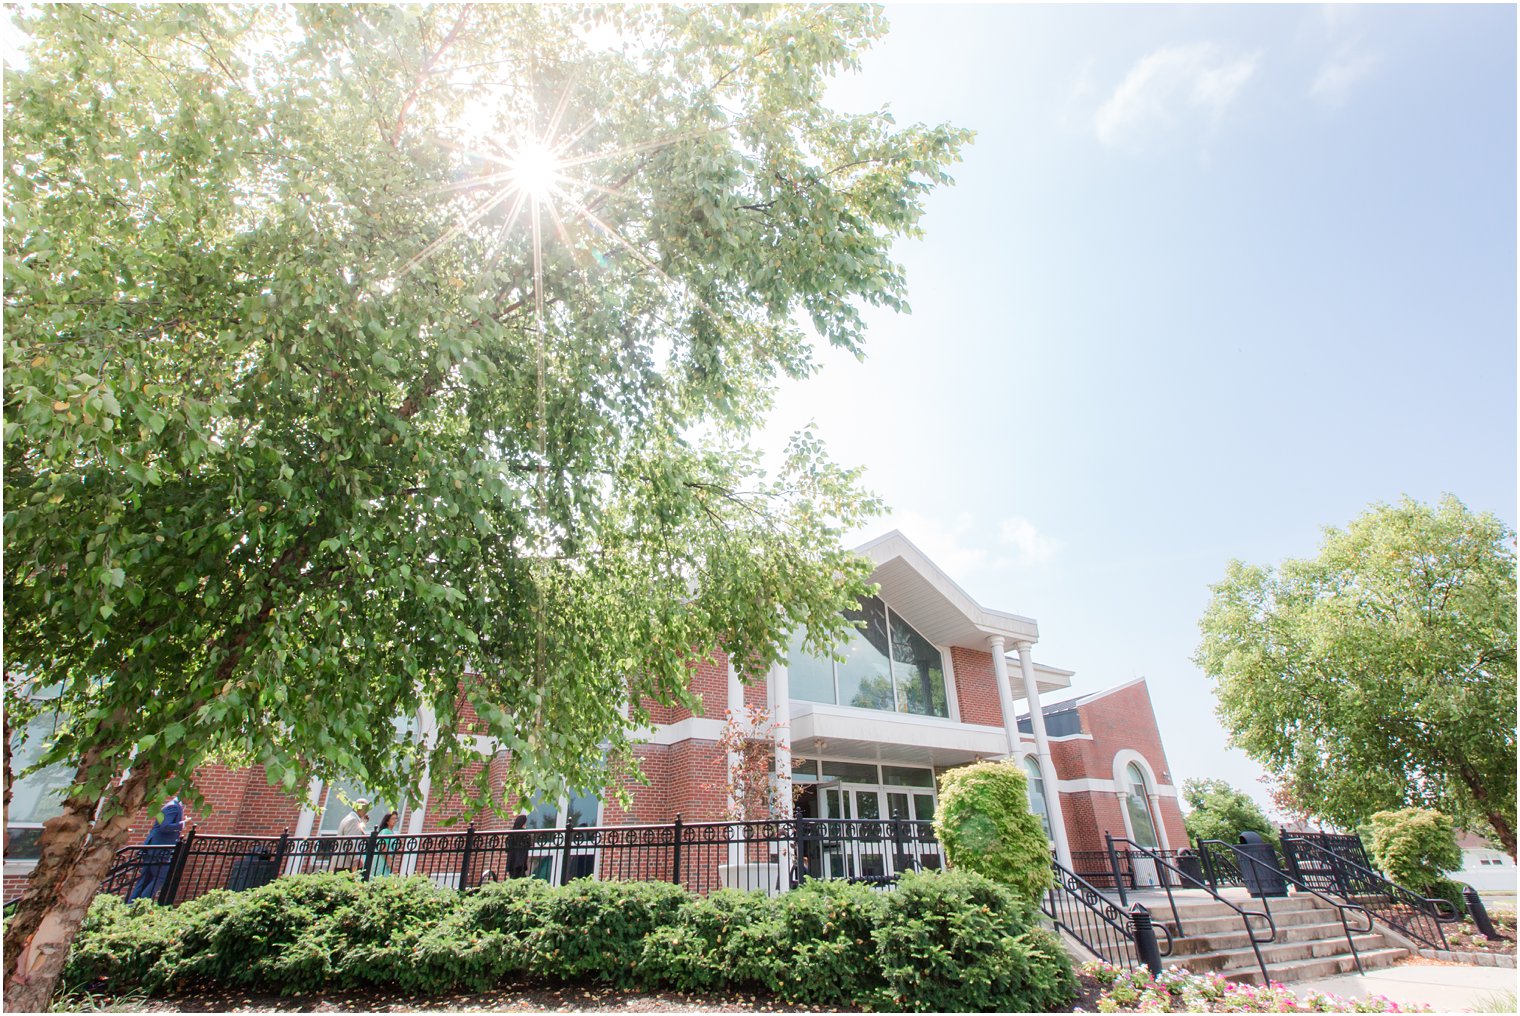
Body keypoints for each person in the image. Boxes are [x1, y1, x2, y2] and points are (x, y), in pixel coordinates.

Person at [127, 796, 184, 903]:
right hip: (159, 849)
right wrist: (181, 825)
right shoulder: (173, 807)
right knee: (161, 876)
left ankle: (131, 905)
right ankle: (140, 904)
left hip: (154, 847)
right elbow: (165, 826)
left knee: (145, 879)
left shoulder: (173, 805)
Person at [334, 797, 370, 871]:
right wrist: (357, 860)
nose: (366, 812)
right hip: (346, 864)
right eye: (365, 809)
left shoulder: (351, 818)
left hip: (343, 864)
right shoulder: (353, 820)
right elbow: (350, 842)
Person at [371, 810, 399, 877]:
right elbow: (382, 846)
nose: (395, 821)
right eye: (393, 819)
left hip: (386, 862)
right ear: (387, 821)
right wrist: (389, 861)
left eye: (396, 819)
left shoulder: (391, 833)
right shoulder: (385, 831)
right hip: (382, 861)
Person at [506, 813, 531, 879]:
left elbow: (507, 848)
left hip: (512, 862)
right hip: (520, 862)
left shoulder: (511, 834)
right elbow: (529, 844)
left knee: (513, 878)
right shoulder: (525, 835)